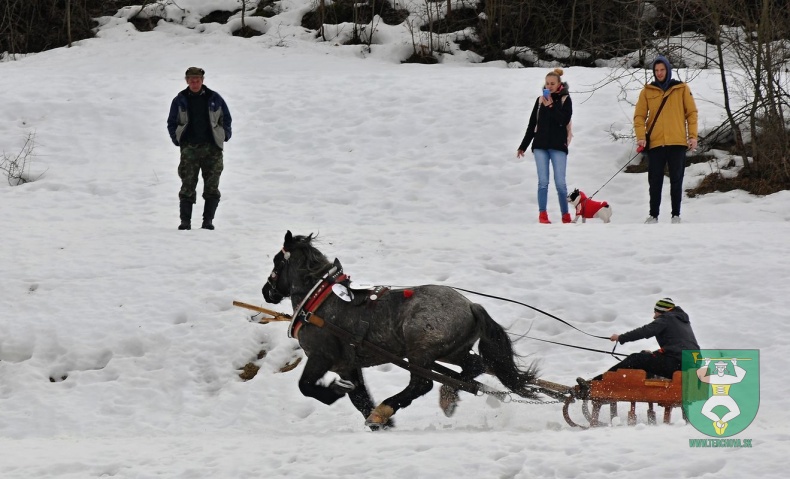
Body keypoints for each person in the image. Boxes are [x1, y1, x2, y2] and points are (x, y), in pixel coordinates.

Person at [576, 297, 700, 397]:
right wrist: (654, 354)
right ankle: (605, 384)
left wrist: (621, 337)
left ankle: (594, 384)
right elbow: (677, 347)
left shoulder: (666, 319)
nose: (653, 316)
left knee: (635, 359)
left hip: (677, 363)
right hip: (690, 365)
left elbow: (645, 331)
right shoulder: (682, 321)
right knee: (644, 357)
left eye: (655, 312)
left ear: (662, 310)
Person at [634, 55, 698, 224]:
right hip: (656, 143)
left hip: (677, 142)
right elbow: (639, 116)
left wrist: (692, 136)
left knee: (677, 179)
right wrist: (641, 137)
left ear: (668, 70)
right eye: (656, 70)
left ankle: (676, 214)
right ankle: (653, 215)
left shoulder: (681, 88)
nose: (660, 73)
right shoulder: (647, 91)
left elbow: (691, 113)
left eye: (662, 70)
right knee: (655, 180)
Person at [167, 67, 232, 230]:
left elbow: (226, 118)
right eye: (191, 79)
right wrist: (177, 139)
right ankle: (185, 221)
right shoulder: (179, 99)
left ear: (202, 80)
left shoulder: (214, 98)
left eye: (197, 79)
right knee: (187, 184)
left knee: (212, 185)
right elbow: (171, 122)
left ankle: (208, 221)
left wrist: (225, 135)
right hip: (189, 148)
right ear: (186, 81)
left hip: (212, 148)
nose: (194, 82)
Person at [517, 68, 573, 224]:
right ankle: (543, 215)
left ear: (559, 84)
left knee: (560, 183)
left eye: (552, 84)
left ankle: (565, 215)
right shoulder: (540, 100)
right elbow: (532, 125)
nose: (549, 86)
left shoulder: (565, 99)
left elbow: (563, 120)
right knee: (543, 182)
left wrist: (551, 107)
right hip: (540, 145)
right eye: (547, 83)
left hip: (558, 146)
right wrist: (523, 145)